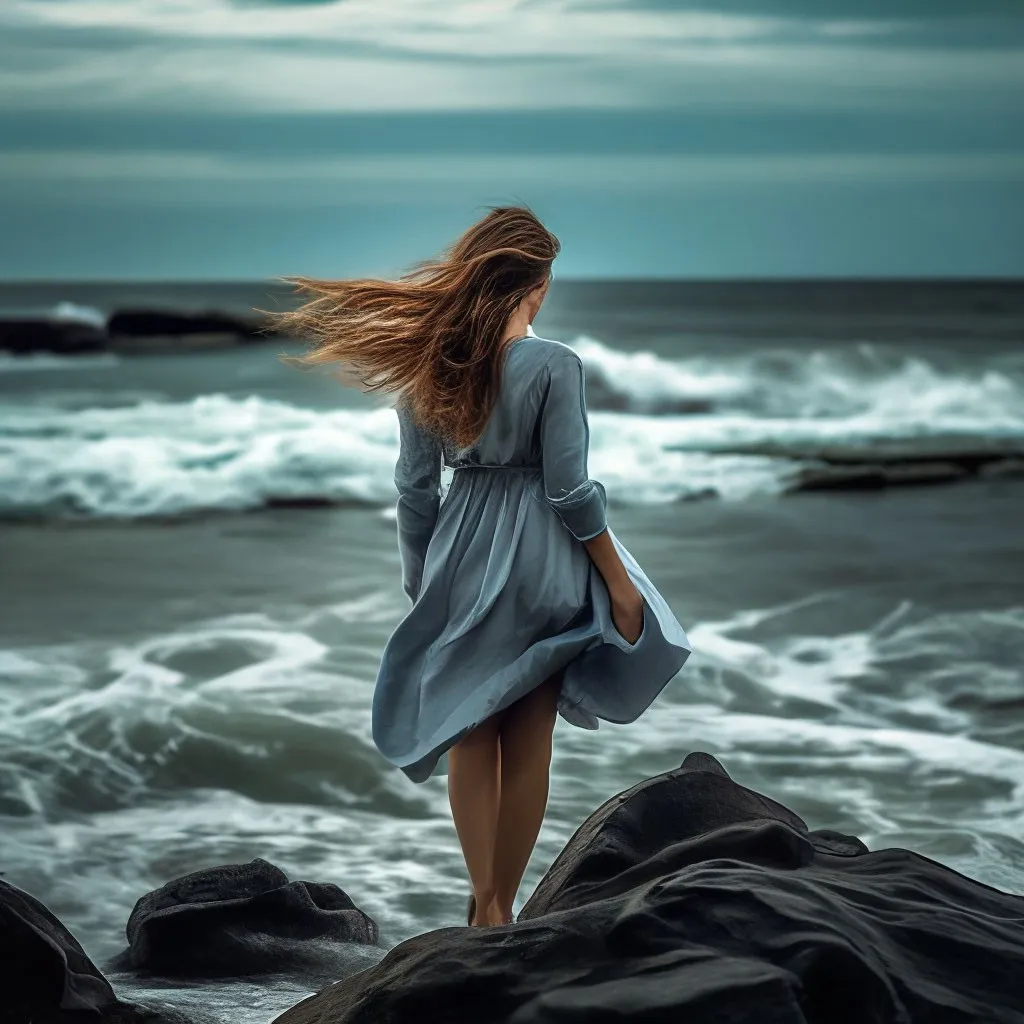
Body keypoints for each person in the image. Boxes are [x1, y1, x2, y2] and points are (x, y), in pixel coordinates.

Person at [272, 205, 690, 928]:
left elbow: (412, 488)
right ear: (535, 282)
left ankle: (486, 904)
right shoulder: (555, 364)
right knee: (530, 731)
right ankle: (502, 901)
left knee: (471, 725)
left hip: (459, 551)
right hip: (543, 559)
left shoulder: (427, 367)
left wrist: (422, 578)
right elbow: (570, 490)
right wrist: (620, 586)